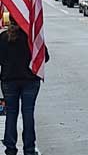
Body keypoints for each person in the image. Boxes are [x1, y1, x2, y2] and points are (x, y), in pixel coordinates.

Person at [0, 19, 49, 155]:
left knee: (11, 113)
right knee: (28, 113)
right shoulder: (33, 38)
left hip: (9, 80)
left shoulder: (3, 38)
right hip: (30, 80)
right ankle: (29, 148)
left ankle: (10, 147)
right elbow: (45, 56)